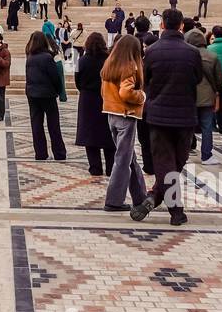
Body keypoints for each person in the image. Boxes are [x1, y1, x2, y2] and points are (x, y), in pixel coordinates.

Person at [139, 9, 202, 226]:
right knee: (177, 160)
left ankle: (156, 197)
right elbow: (198, 78)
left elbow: (145, 79)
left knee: (166, 162)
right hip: (185, 115)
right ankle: (174, 209)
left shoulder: (152, 51)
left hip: (158, 116)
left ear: (162, 25)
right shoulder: (192, 52)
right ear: (182, 26)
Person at [100, 34, 150, 216]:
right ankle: (114, 200)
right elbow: (126, 92)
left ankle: (140, 196)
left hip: (111, 114)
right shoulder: (129, 65)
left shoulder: (109, 63)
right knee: (122, 159)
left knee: (129, 157)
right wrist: (142, 96)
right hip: (125, 114)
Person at [24, 31, 67, 160]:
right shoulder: (47, 57)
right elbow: (55, 77)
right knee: (53, 124)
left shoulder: (30, 57)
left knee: (36, 124)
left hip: (32, 94)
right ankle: (59, 153)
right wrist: (59, 90)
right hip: (47, 94)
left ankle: (40, 153)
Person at [74, 32, 112, 176]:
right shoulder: (109, 59)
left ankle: (95, 167)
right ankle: (110, 167)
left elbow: (77, 79)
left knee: (90, 134)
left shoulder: (82, 60)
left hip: (88, 99)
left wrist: (84, 89)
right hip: (106, 97)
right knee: (108, 134)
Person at [185, 29, 222, 166]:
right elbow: (219, 78)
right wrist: (216, 91)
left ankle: (185, 152)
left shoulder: (187, 55)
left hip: (189, 95)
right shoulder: (212, 56)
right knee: (207, 126)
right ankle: (206, 156)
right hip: (207, 96)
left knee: (187, 126)